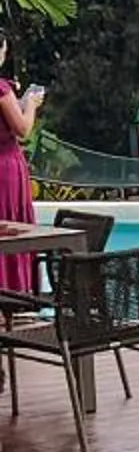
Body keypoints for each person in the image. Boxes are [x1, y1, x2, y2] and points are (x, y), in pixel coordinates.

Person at [0, 38, 47, 300]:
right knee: (11, 229)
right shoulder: (1, 88)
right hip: (5, 168)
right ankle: (13, 296)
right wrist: (30, 104)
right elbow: (23, 130)